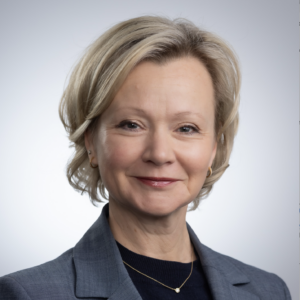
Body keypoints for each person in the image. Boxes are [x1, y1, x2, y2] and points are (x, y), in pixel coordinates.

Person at [0, 15, 291, 300]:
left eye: (186, 128)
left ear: (215, 146)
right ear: (91, 141)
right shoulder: (27, 293)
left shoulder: (269, 291)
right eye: (132, 125)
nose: (160, 154)